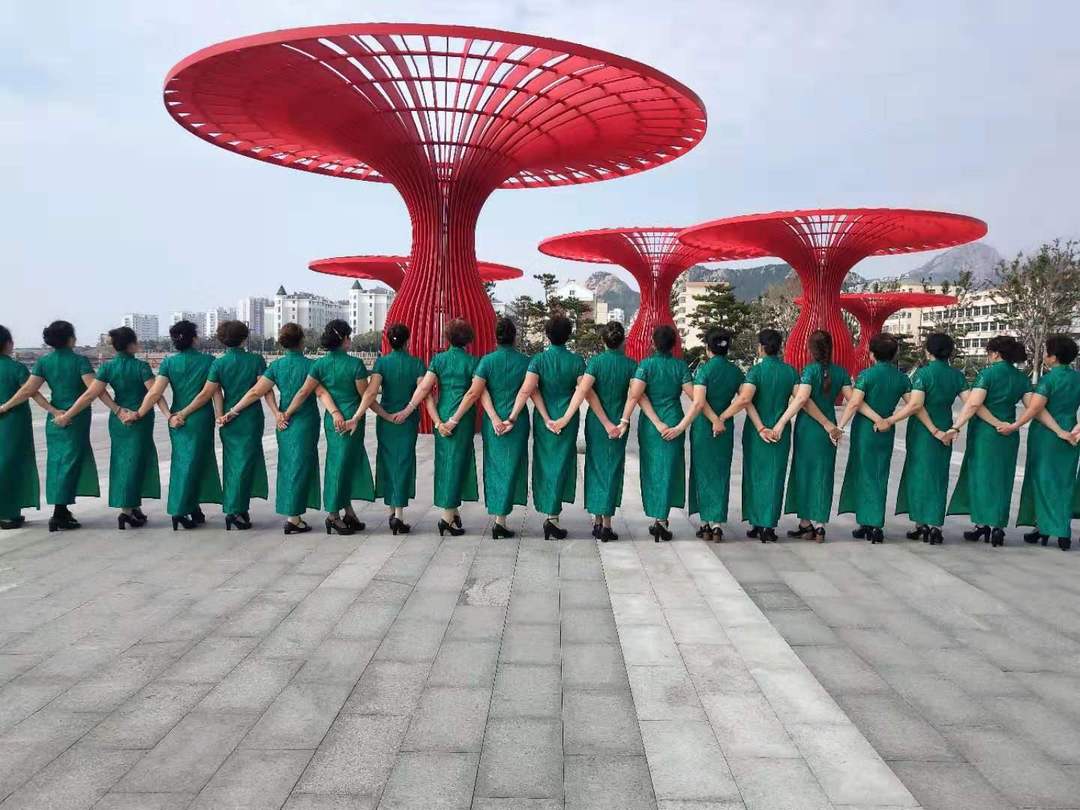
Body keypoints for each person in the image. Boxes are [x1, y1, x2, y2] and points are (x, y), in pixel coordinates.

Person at [57, 326, 167, 529]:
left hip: (118, 420)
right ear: (131, 345)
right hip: (140, 419)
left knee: (122, 462)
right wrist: (167, 415)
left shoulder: (108, 368)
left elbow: (90, 394)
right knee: (136, 462)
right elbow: (155, 394)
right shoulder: (141, 367)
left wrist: (67, 415)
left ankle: (132, 507)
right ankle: (127, 510)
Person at [0, 321, 104, 531]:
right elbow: (93, 390)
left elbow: (29, 390)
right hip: (73, 418)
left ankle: (60, 510)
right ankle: (59, 512)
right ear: (70, 339)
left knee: (56, 462)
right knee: (70, 463)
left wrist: (52, 411)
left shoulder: (43, 362)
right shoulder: (80, 361)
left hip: (54, 420)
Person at [172, 320, 270, 530]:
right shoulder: (256, 360)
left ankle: (237, 507)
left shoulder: (218, 364)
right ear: (245, 338)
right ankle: (235, 510)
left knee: (232, 463)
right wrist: (277, 411)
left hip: (228, 419)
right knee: (245, 464)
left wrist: (214, 416)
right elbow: (263, 390)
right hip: (249, 417)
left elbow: (207, 393)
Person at [280, 319, 374, 536]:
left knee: (341, 463)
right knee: (340, 466)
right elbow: (366, 396)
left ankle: (348, 511)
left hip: (333, 421)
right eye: (349, 336)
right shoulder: (355, 365)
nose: (350, 340)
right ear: (344, 339)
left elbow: (304, 392)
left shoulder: (319, 365)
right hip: (351, 421)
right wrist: (384, 413)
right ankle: (333, 515)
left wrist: (287, 413)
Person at [227, 323, 321, 534]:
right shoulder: (312, 365)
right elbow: (314, 393)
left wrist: (233, 411)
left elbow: (255, 392)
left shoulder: (276, 366)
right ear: (302, 341)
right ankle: (293, 518)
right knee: (300, 465)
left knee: (287, 465)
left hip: (283, 423)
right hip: (305, 421)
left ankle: (293, 514)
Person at [393, 319, 479, 536]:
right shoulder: (472, 362)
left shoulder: (438, 360)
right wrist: (454, 420)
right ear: (468, 339)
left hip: (441, 412)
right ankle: (447, 518)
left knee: (446, 463)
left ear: (448, 337)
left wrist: (425, 416)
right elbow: (472, 394)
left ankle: (453, 511)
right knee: (457, 464)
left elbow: (424, 390)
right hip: (462, 417)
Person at [553, 321, 636, 542]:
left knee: (595, 467)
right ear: (623, 341)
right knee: (613, 469)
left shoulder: (595, 363)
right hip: (618, 424)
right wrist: (623, 421)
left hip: (597, 424)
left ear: (603, 341)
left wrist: (565, 418)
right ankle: (607, 524)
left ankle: (597, 520)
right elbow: (636, 396)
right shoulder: (631, 365)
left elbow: (583, 392)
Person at [136, 320, 222, 530]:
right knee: (198, 463)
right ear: (194, 339)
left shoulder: (168, 363)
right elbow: (214, 393)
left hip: (177, 420)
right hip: (201, 418)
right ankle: (180, 510)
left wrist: (165, 416)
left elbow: (155, 393)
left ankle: (191, 507)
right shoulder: (209, 361)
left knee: (182, 463)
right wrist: (220, 416)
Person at [946, 336, 1031, 547]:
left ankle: (982, 524)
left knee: (982, 477)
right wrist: (1014, 425)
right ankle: (998, 527)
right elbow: (1033, 407)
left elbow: (973, 404)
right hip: (1009, 435)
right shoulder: (1021, 378)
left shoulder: (987, 374)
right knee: (1003, 478)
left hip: (985, 434)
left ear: (995, 354)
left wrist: (956, 426)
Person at [768, 330, 852, 542]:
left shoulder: (809, 371)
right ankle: (820, 525)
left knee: (804, 472)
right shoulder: (841, 372)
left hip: (808, 429)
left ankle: (805, 524)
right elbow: (854, 401)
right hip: (829, 431)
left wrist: (781, 422)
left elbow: (801, 399)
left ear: (811, 349)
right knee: (824, 474)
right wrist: (838, 426)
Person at [508, 315, 586, 540]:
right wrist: (565, 418)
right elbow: (582, 392)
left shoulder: (538, 361)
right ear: (568, 335)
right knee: (562, 464)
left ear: (547, 335)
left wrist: (517, 417)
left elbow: (528, 390)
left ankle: (549, 513)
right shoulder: (577, 362)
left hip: (544, 421)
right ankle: (553, 517)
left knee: (544, 463)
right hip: (567, 421)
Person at [620, 325, 700, 540]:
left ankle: (657, 517)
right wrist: (681, 426)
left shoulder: (645, 365)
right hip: (674, 420)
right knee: (669, 470)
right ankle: (662, 520)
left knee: (652, 469)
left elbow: (636, 395)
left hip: (651, 425)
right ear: (673, 345)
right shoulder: (680, 366)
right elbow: (696, 399)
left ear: (653, 343)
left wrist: (642, 421)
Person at [718, 329, 799, 543]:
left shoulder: (755, 372)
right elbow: (801, 399)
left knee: (754, 475)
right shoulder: (790, 372)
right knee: (775, 477)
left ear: (761, 348)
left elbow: (745, 399)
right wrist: (781, 423)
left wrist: (723, 416)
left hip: (756, 433)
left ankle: (756, 523)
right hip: (780, 433)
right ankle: (769, 525)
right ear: (779, 347)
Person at [456, 317, 531, 538]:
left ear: (495, 338)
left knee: (495, 466)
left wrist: (495, 418)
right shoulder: (526, 362)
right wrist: (511, 418)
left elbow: (477, 391)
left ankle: (499, 518)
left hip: (493, 424)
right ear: (514, 337)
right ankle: (501, 520)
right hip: (517, 423)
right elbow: (527, 391)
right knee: (513, 466)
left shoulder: (486, 362)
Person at [836, 333, 912, 543]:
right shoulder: (902, 378)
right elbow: (913, 404)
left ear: (871, 354)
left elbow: (854, 403)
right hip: (886, 431)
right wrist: (890, 419)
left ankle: (868, 522)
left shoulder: (866, 376)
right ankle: (874, 523)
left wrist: (840, 426)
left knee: (864, 473)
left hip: (865, 431)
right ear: (894, 354)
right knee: (880, 474)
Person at [894, 333, 967, 544]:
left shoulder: (923, 374)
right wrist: (954, 428)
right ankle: (936, 526)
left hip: (922, 432)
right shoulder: (957, 376)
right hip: (945, 429)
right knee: (939, 476)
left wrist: (891, 420)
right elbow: (971, 403)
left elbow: (916, 405)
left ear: (928, 351)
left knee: (919, 475)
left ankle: (921, 524)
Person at [1008, 335, 1080, 550]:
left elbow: (1035, 409)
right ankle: (1056, 530)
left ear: (1054, 357)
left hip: (1047, 435)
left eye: (1047, 352)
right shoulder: (1077, 378)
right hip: (1072, 432)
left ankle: (1050, 529)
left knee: (1042, 481)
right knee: (1064, 482)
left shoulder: (1048, 380)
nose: (1045, 356)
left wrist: (1015, 425)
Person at [357, 323, 425, 534]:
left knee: (387, 461)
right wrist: (407, 410)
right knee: (404, 462)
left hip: (386, 422)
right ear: (408, 341)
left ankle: (391, 511)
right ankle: (399, 515)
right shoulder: (417, 364)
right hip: (407, 421)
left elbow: (370, 393)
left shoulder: (382, 363)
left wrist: (384, 415)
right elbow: (423, 391)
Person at [686, 328, 744, 542]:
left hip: (703, 428)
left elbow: (699, 402)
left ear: (707, 348)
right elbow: (744, 398)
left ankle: (705, 523)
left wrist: (713, 420)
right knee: (721, 472)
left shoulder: (704, 371)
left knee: (702, 471)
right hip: (724, 429)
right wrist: (723, 418)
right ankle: (717, 523)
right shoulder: (736, 372)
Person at [0, 325, 45, 529]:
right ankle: (8, 514)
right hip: (12, 422)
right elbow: (31, 392)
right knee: (11, 465)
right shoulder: (16, 368)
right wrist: (53, 410)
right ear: (7, 344)